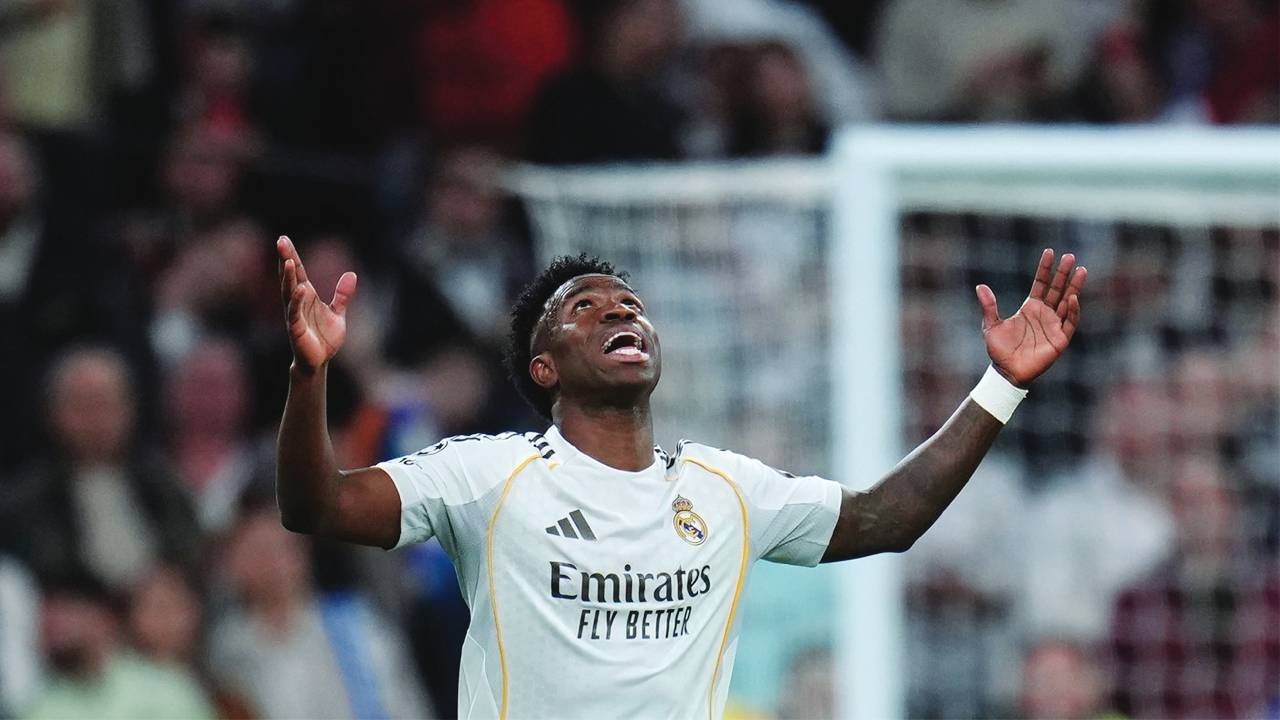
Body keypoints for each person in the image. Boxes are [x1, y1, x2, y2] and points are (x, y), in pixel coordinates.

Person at [272, 235, 1086, 718]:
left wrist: (1001, 386)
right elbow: (318, 505)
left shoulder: (723, 488)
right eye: (585, 308)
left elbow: (887, 518)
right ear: (544, 367)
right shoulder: (489, 473)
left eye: (629, 304)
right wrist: (310, 375)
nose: (619, 310)